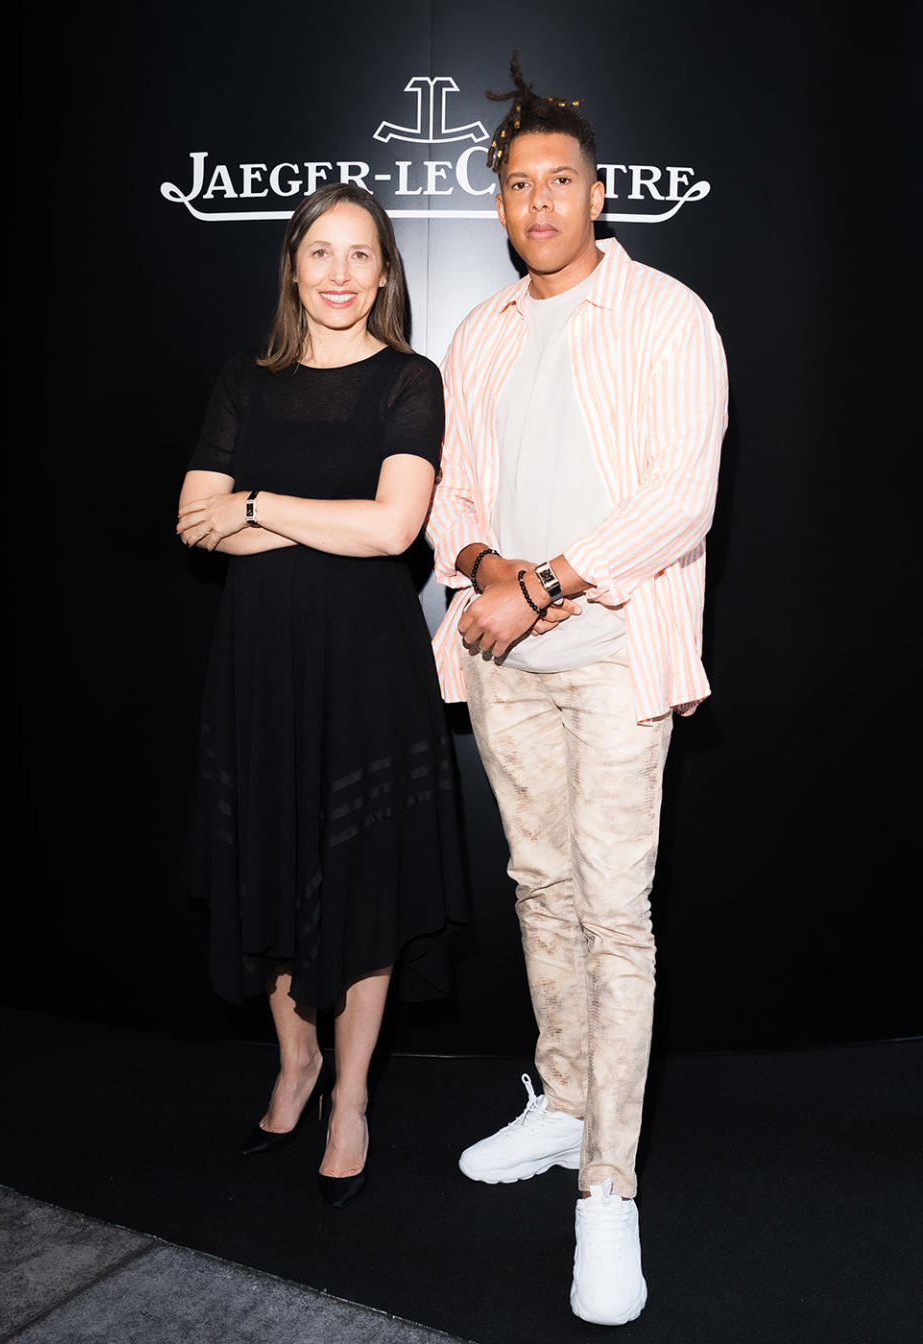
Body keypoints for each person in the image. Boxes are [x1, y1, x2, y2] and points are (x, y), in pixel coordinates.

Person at [426, 55, 727, 1325]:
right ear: (497, 207)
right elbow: (453, 497)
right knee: (538, 891)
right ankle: (561, 1103)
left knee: (617, 915)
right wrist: (488, 570)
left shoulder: (666, 314)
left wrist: (540, 582)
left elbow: (678, 500)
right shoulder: (481, 333)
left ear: (600, 197)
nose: (538, 202)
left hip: (611, 660)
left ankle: (611, 1189)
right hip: (505, 663)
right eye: (517, 185)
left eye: (561, 181)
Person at [177, 182, 465, 1208]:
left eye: (360, 256)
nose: (340, 274)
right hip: (259, 664)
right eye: (321, 254)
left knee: (361, 881)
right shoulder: (244, 384)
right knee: (272, 864)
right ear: (294, 268)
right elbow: (191, 519)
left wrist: (254, 503)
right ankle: (293, 1065)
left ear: (384, 273)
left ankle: (350, 1098)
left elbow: (392, 532)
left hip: (365, 668)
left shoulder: (408, 380)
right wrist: (304, 515)